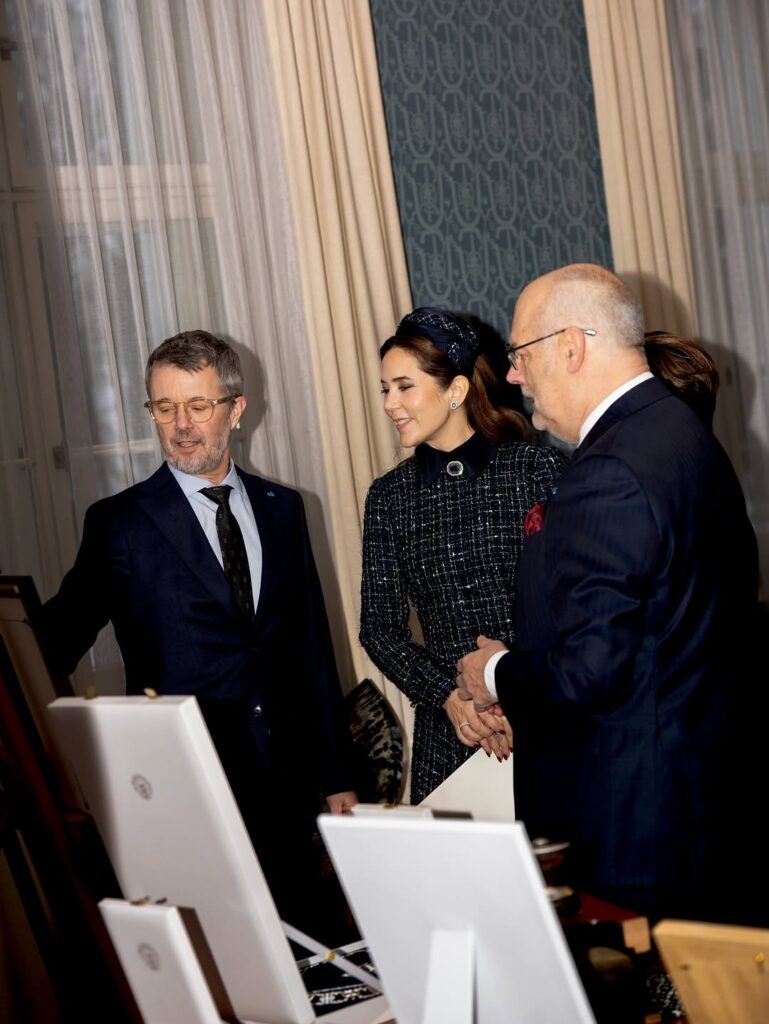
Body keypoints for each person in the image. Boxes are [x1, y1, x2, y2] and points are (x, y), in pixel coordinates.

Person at [457, 264, 764, 926]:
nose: (512, 376)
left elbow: (591, 672)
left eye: (518, 354)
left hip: (632, 830)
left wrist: (494, 672)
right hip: (696, 807)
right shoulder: (683, 439)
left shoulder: (611, 470)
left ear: (570, 345)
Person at [36, 330, 357, 942]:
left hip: (288, 792)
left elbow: (313, 650)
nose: (181, 425)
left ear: (236, 409)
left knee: (311, 953)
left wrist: (338, 775)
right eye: (165, 407)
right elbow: (58, 636)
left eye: (198, 406)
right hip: (187, 793)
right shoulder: (121, 525)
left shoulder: (286, 508)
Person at [359, 307, 567, 804]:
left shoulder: (535, 468)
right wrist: (450, 698)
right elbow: (378, 629)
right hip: (450, 737)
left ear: (455, 391)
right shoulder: (389, 497)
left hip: (544, 723)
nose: (390, 403)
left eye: (404, 387)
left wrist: (513, 692)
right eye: (385, 388)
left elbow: (572, 604)